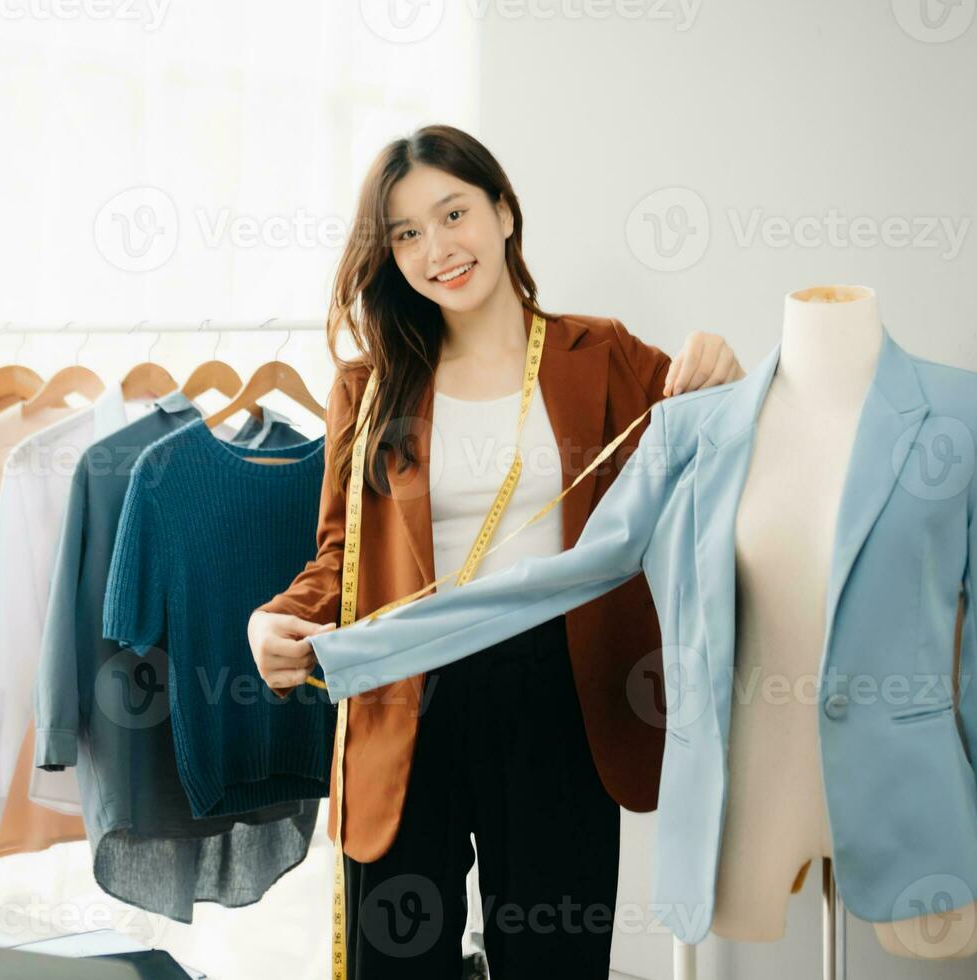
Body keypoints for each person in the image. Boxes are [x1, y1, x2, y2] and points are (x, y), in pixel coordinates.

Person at [248, 124, 744, 978]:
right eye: (406, 233)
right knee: (394, 963)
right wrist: (274, 619)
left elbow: (727, 457)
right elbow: (341, 558)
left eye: (453, 214)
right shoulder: (369, 389)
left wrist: (723, 373)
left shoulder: (604, 357)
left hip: (561, 698)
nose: (436, 248)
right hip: (407, 697)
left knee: (553, 962)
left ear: (505, 213)